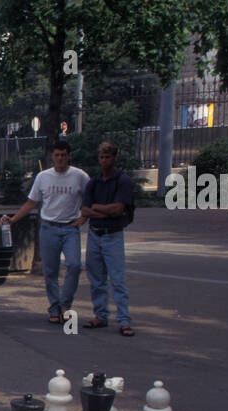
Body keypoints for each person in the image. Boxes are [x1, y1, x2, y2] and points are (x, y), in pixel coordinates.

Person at [8, 139, 89, 324]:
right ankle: (54, 307)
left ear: (69, 156)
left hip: (70, 228)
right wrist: (13, 219)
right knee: (50, 271)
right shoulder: (43, 177)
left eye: (63, 155)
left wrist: (83, 218)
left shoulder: (80, 176)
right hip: (48, 228)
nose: (60, 158)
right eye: (57, 155)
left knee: (74, 265)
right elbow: (32, 202)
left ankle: (65, 304)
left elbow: (88, 199)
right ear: (52, 157)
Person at [79, 141, 135, 336]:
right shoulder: (93, 182)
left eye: (107, 157)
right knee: (96, 279)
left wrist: (97, 208)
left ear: (114, 158)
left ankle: (124, 320)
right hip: (95, 234)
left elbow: (119, 209)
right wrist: (106, 212)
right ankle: (100, 315)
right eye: (101, 157)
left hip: (113, 235)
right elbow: (84, 209)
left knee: (117, 279)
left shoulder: (123, 180)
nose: (104, 161)